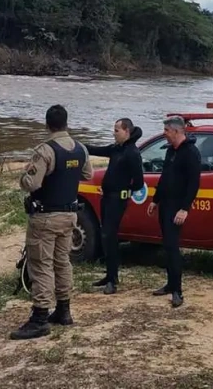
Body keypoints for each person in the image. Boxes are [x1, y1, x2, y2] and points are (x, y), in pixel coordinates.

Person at [10, 104, 93, 340]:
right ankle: (64, 310)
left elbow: (32, 184)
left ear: (47, 124)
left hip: (45, 217)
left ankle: (39, 318)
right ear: (67, 123)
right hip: (70, 216)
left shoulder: (45, 150)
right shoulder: (81, 149)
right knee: (62, 262)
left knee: (41, 265)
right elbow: (87, 175)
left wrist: (24, 176)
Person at [84, 118, 144, 294]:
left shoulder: (132, 153)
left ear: (127, 131)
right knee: (106, 236)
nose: (114, 132)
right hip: (107, 198)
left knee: (109, 236)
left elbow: (139, 182)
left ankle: (113, 280)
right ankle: (110, 275)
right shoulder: (116, 149)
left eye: (117, 130)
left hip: (118, 200)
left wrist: (123, 191)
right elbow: (96, 150)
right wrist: (78, 146)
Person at [146, 115, 201, 308]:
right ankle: (170, 284)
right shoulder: (171, 151)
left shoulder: (191, 153)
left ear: (176, 131)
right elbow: (164, 177)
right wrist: (155, 200)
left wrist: (185, 209)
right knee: (167, 246)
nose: (164, 134)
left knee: (172, 246)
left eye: (167, 131)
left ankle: (177, 291)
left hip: (178, 207)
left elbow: (194, 184)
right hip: (165, 205)